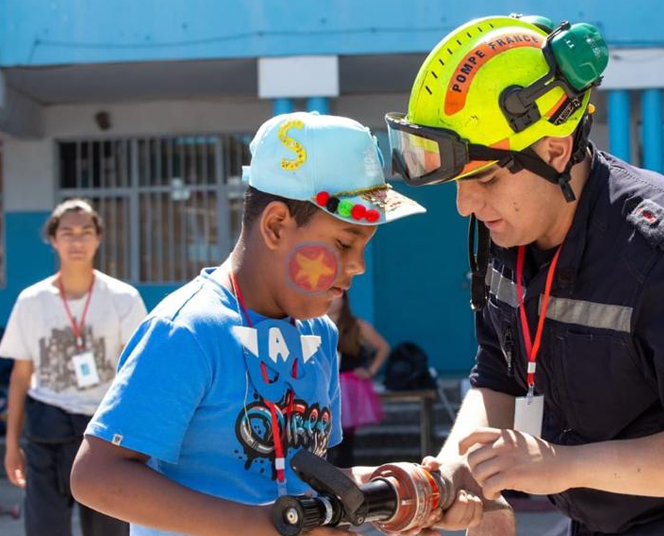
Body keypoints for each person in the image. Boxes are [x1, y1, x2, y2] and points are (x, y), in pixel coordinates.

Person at [385, 14, 664, 536]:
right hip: (600, 523)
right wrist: (449, 475)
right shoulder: (510, 234)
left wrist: (560, 464)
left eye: (484, 178)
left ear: (554, 150)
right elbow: (499, 378)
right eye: (458, 185)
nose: (466, 205)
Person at [67, 113, 478, 536]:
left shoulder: (320, 335)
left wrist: (397, 494)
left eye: (364, 246)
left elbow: (304, 479)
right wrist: (267, 526)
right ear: (277, 225)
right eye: (343, 242)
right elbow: (97, 476)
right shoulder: (189, 331)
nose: (357, 266)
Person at [0, 198, 148, 536]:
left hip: (104, 430)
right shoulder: (31, 301)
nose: (77, 241)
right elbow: (21, 377)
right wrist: (11, 447)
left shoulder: (123, 298)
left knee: (109, 528)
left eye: (85, 232)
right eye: (67, 233)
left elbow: (136, 375)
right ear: (53, 239)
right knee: (44, 528)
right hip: (46, 428)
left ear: (98, 238)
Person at [326, 291, 389, 468]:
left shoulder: (357, 325)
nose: (331, 299)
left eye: (335, 295)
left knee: (345, 438)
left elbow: (383, 347)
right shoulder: (313, 324)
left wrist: (370, 371)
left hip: (347, 386)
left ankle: (344, 476)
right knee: (322, 434)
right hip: (323, 385)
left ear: (344, 298)